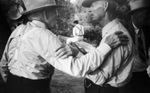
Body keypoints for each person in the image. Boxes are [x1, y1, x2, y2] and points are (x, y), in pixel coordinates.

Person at [0, 0, 129, 93]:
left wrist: (14, 83)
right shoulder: (44, 36)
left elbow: (3, 65)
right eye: (55, 11)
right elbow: (77, 69)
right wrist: (106, 46)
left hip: (11, 85)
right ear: (45, 13)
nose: (57, 16)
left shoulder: (19, 30)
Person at [48, 0, 134, 93]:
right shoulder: (111, 32)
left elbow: (101, 78)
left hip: (105, 89)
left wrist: (78, 54)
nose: (89, 10)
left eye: (93, 5)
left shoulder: (117, 36)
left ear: (105, 6)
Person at [119, 0, 150, 93]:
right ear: (136, 15)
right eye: (146, 14)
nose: (148, 17)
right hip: (128, 78)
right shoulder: (123, 31)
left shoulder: (147, 29)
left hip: (143, 75)